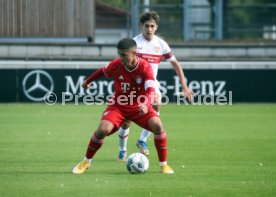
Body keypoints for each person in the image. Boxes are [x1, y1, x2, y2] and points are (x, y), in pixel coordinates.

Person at [72, 37, 174, 174]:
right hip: (118, 106)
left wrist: (145, 104)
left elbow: (150, 90)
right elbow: (102, 71)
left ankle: (164, 165)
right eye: (119, 54)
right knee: (103, 129)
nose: (120, 57)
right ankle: (85, 162)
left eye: (124, 55)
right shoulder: (116, 64)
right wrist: (87, 82)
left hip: (139, 106)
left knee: (158, 125)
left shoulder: (145, 67)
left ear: (134, 53)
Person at [117, 11, 193, 161]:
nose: (149, 29)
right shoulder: (134, 43)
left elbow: (176, 64)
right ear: (141, 26)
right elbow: (122, 63)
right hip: (132, 85)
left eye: (152, 26)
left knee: (157, 104)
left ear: (156, 27)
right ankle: (122, 149)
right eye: (147, 26)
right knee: (126, 121)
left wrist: (184, 86)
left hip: (150, 83)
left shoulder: (161, 44)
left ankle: (142, 140)